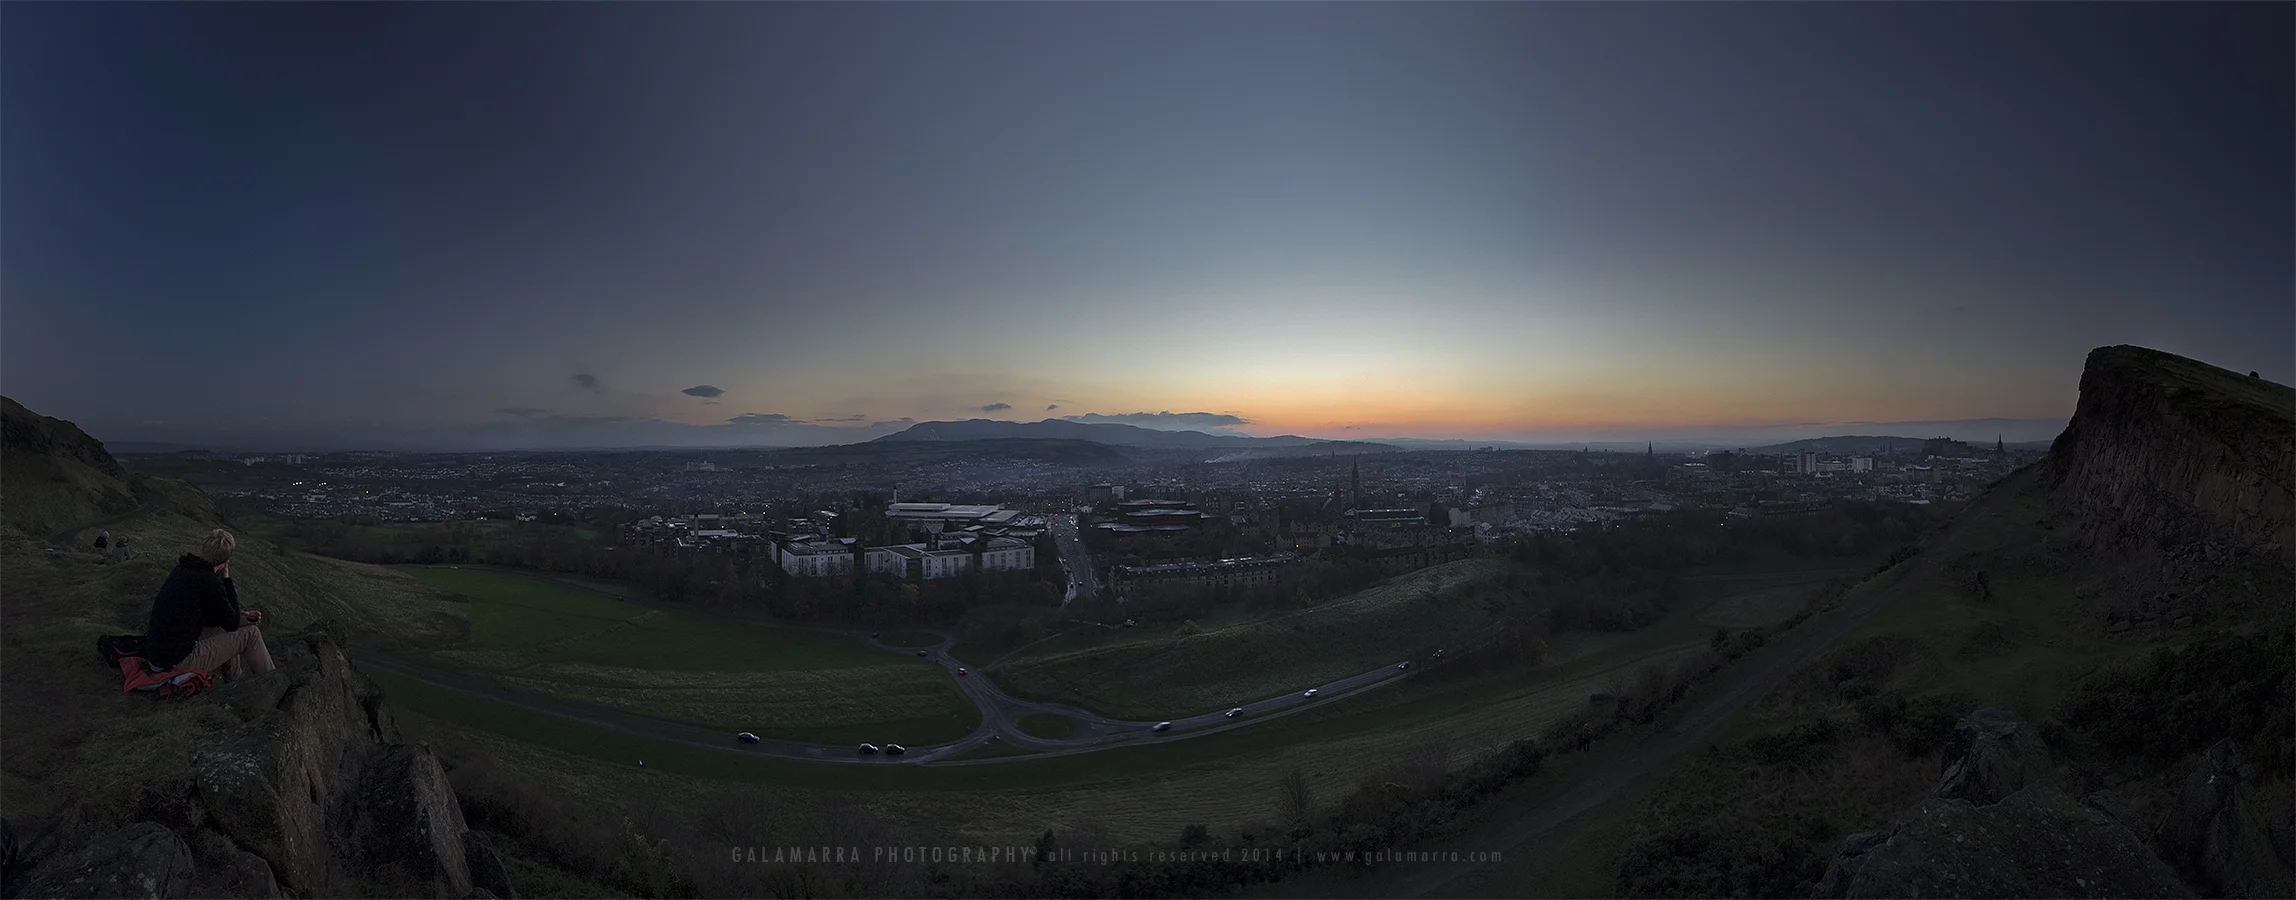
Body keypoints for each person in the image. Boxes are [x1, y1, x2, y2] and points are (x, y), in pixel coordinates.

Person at [144, 529, 274, 681]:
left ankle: (233, 681)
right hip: (175, 663)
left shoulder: (183, 569)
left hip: (158, 657)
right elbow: (231, 622)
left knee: (222, 626)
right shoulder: (209, 582)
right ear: (226, 560)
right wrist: (226, 577)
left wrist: (241, 616)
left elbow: (217, 616)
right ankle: (271, 681)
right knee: (251, 634)